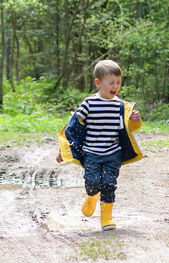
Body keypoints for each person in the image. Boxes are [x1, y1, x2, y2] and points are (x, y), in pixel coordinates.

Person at [56, 59, 143, 231]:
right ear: (98, 83)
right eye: (111, 83)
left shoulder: (121, 106)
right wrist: (64, 150)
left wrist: (135, 120)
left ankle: (106, 218)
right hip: (92, 153)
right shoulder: (89, 104)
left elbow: (128, 128)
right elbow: (72, 127)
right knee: (93, 183)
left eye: (118, 83)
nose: (115, 86)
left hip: (113, 153)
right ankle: (91, 196)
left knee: (109, 184)